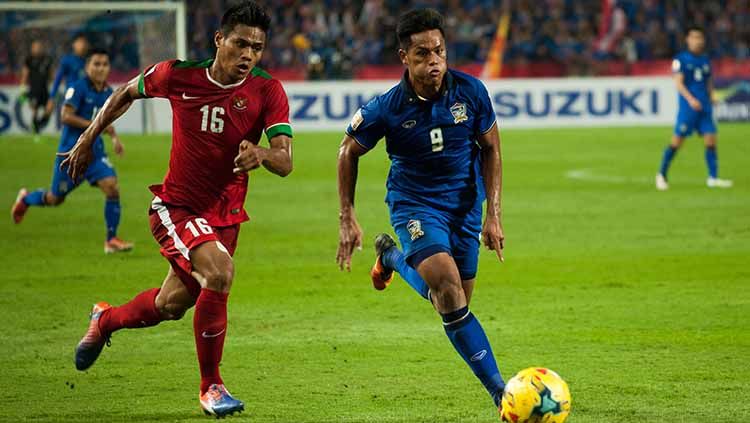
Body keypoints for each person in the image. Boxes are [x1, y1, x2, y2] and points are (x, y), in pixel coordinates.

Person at [60, 2, 293, 417]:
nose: (248, 55)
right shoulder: (178, 75)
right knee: (219, 274)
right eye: (240, 44)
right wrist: (87, 139)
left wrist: (260, 153)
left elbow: (285, 161)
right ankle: (212, 387)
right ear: (220, 39)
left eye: (256, 48)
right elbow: (123, 94)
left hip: (226, 217)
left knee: (171, 304)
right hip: (177, 207)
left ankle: (106, 319)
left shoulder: (266, 90)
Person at [336, 8, 507, 417]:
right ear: (404, 57)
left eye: (440, 51)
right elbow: (348, 151)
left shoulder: (472, 92)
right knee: (448, 290)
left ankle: (391, 257)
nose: (434, 61)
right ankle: (502, 392)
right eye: (423, 53)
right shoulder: (386, 108)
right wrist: (347, 215)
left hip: (465, 207)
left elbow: (492, 149)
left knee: (453, 302)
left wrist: (493, 214)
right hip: (415, 204)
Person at [12, 48, 133, 254]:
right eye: (96, 64)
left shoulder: (107, 93)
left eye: (105, 64)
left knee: (112, 187)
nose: (101, 68)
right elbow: (66, 116)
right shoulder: (76, 88)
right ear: (87, 67)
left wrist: (113, 138)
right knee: (55, 198)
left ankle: (111, 239)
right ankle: (26, 199)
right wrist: (96, 125)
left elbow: (108, 120)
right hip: (71, 154)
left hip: (95, 155)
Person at [656, 26, 732, 190]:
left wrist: (712, 96)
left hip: (705, 107)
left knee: (711, 140)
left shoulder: (705, 60)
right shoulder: (681, 59)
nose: (697, 41)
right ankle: (661, 174)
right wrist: (691, 100)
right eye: (694, 37)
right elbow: (678, 83)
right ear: (688, 40)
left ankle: (713, 178)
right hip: (688, 109)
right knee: (677, 142)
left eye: (700, 38)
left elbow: (709, 82)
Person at [19, 40, 54, 136]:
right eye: (35, 47)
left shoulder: (47, 59)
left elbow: (52, 74)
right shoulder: (29, 60)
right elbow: (25, 75)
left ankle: (38, 125)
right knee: (35, 110)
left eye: (39, 47)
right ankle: (36, 132)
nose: (37, 49)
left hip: (45, 89)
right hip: (34, 90)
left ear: (42, 48)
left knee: (49, 109)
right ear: (32, 48)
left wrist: (54, 86)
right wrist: (22, 89)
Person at [49, 34, 89, 113]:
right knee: (67, 120)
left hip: (86, 98)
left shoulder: (90, 61)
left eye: (84, 43)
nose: (83, 45)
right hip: (71, 95)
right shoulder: (67, 60)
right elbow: (58, 79)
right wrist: (52, 97)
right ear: (74, 44)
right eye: (80, 42)